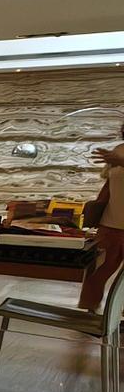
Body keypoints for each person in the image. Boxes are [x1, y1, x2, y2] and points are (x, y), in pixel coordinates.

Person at [80, 124, 124, 310]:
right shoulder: (119, 149)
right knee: (97, 271)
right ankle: (87, 313)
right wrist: (96, 212)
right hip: (110, 224)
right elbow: (110, 183)